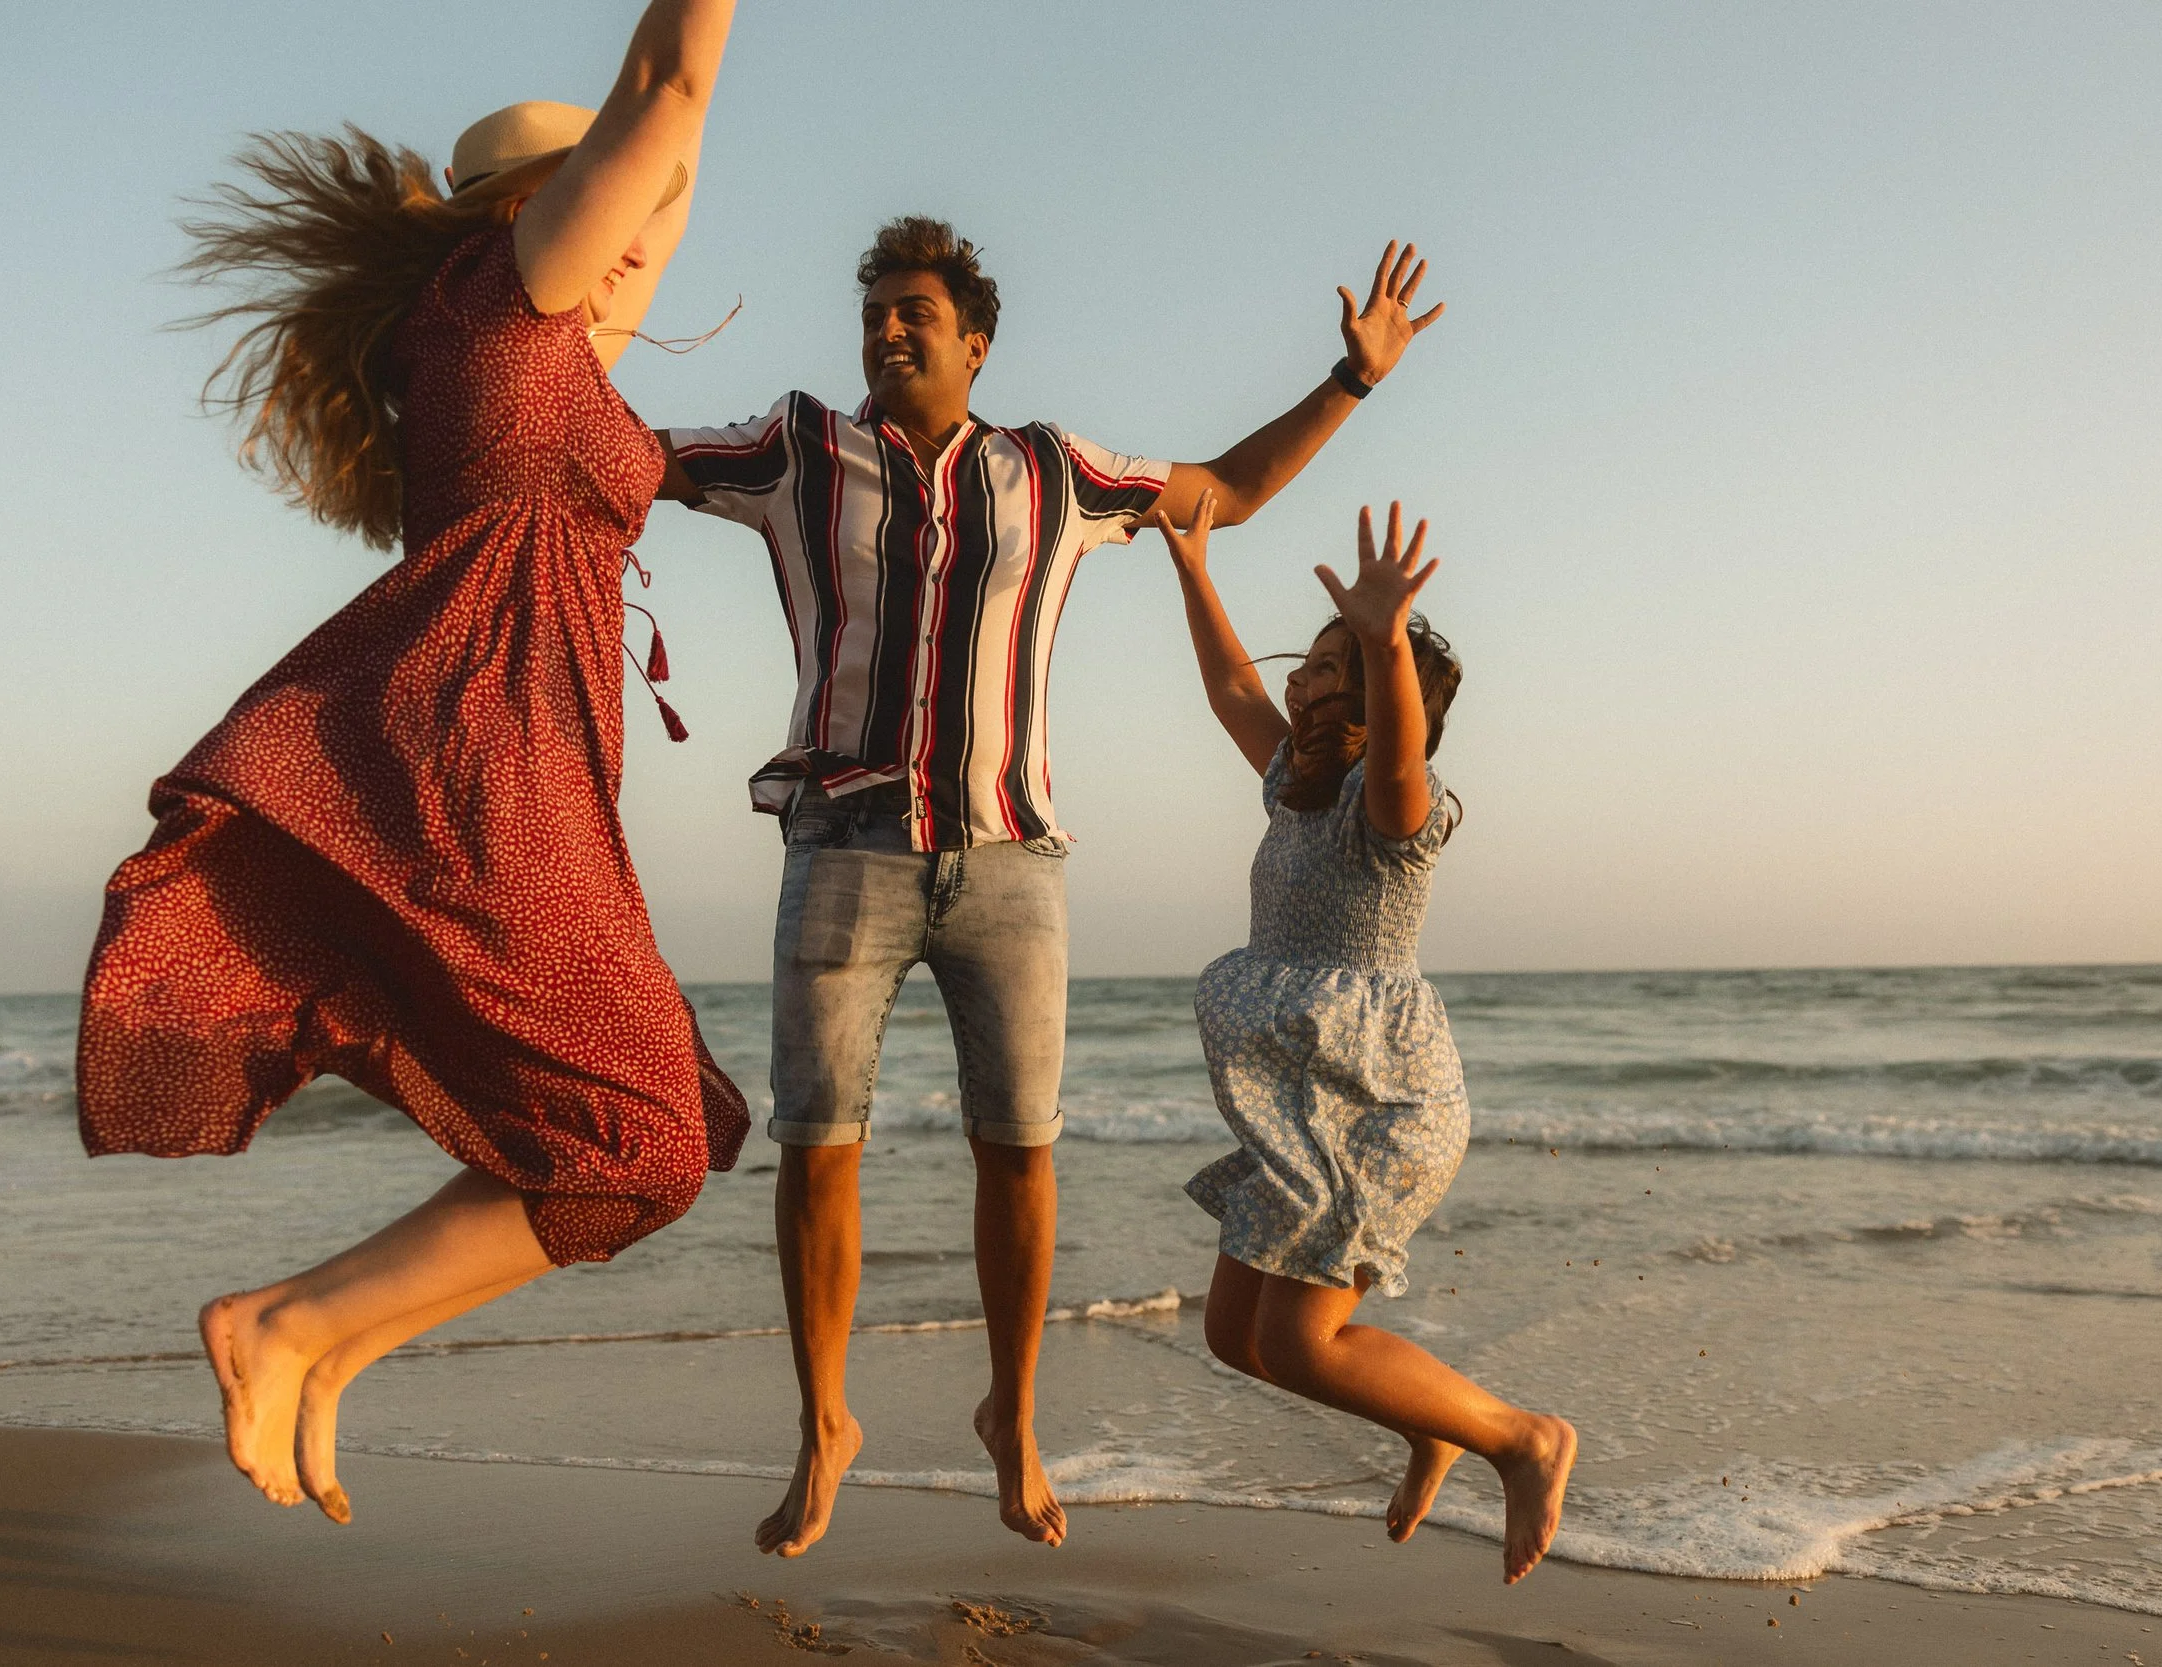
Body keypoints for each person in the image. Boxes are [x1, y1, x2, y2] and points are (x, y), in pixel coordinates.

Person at [655, 226, 1446, 1556]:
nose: (889, 332)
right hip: (844, 843)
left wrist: (1349, 380)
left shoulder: (1055, 472)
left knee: (1020, 1149)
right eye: (875, 315)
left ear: (976, 341)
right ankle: (824, 1425)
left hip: (1012, 861)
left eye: (917, 312)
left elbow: (1227, 493)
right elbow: (633, 456)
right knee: (817, 1146)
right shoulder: (798, 451)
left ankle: (1011, 1419)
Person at [75, 0, 747, 1526]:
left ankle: (320, 1336)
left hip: (543, 771)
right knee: (638, 1139)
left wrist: (673, 142)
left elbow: (682, 140)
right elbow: (672, 85)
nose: (649, 224)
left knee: (661, 1134)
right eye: (615, 195)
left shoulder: (544, 337)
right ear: (537, 211)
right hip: (482, 767)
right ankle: (289, 1325)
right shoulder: (498, 307)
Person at [1153, 493, 1578, 1583]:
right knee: (1234, 1334)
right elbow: (1229, 685)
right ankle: (1426, 1421)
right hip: (1305, 1104)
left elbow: (1397, 742)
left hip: (1381, 1109)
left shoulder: (1391, 809)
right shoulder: (1292, 787)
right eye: (1314, 658)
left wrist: (1385, 638)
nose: (1302, 677)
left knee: (1299, 1340)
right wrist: (1190, 559)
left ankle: (1522, 1437)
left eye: (1327, 667)